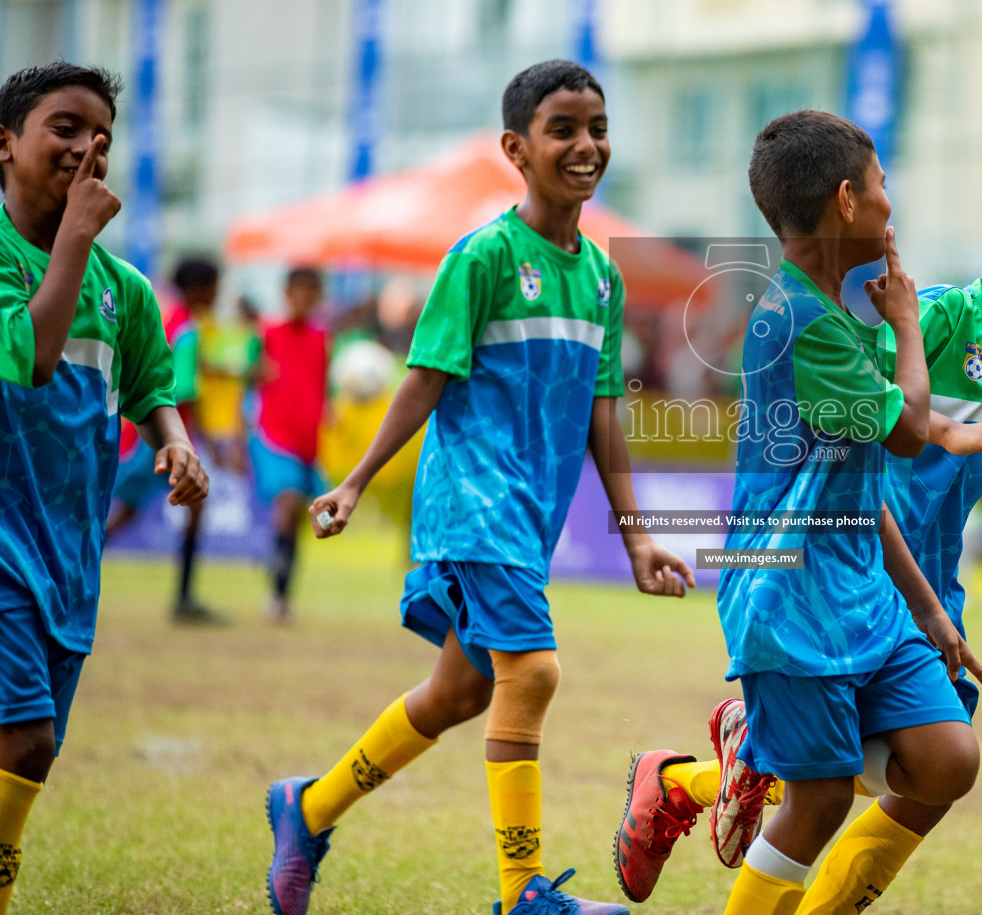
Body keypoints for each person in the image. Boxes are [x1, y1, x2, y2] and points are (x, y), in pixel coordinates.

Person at [614, 163, 982, 912]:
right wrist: (941, 424)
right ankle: (731, 765)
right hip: (851, 576)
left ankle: (718, 767)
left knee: (941, 772)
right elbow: (869, 428)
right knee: (825, 784)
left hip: (927, 592)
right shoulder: (940, 319)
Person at [263, 60, 691, 915]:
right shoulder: (483, 257)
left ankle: (306, 809)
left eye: (597, 127)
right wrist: (352, 482)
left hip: (525, 519)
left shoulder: (604, 279)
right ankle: (522, 893)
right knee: (530, 674)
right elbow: (424, 379)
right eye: (563, 128)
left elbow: (606, 414)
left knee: (460, 691)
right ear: (516, 148)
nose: (585, 144)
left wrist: (637, 532)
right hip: (474, 505)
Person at [0, 62, 207, 914]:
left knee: (18, 749)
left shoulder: (127, 292)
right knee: (26, 744)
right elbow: (34, 359)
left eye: (102, 138)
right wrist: (74, 234)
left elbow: (152, 390)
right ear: (4, 145)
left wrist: (176, 445)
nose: (88, 150)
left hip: (70, 561)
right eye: (66, 129)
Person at [107, 256, 223, 623]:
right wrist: (209, 440)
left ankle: (185, 597)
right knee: (126, 512)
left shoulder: (167, 319)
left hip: (148, 436)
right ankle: (184, 598)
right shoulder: (188, 329)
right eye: (214, 285)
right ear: (200, 288)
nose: (218, 293)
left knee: (138, 511)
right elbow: (184, 392)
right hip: (159, 440)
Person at [248, 267, 329, 622]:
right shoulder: (265, 333)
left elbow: (323, 387)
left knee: (298, 518)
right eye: (298, 291)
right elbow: (243, 375)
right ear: (286, 292)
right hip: (273, 435)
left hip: (307, 440)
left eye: (311, 291)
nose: (304, 298)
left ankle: (281, 589)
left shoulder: (321, 338)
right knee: (288, 502)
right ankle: (277, 595)